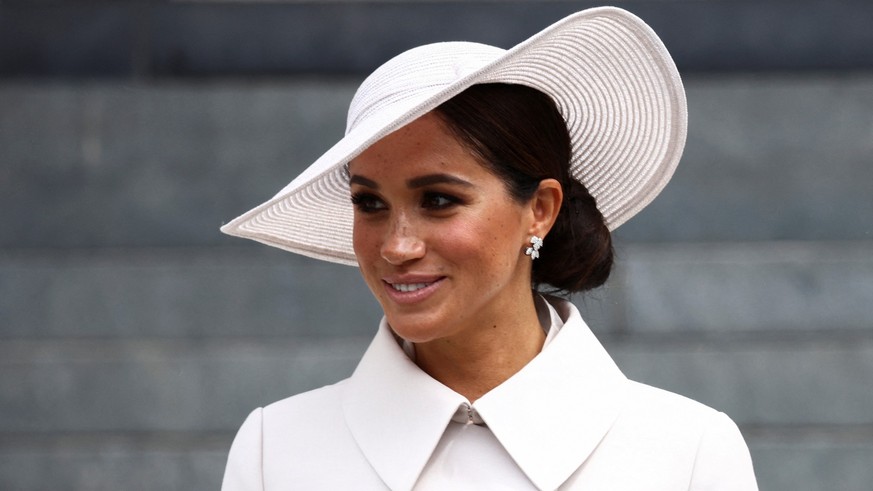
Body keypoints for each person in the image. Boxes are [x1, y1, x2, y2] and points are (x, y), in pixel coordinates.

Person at [219, 6, 758, 490]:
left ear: (540, 210)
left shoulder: (687, 454)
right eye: (370, 203)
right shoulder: (277, 452)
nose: (397, 246)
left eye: (438, 199)